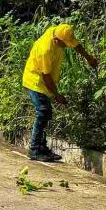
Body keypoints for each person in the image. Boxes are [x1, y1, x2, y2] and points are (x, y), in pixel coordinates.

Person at [22, 23, 97, 162]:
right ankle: (34, 149)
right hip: (35, 80)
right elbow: (46, 77)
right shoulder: (45, 49)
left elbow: (76, 45)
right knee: (43, 111)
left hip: (45, 82)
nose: (67, 46)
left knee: (46, 113)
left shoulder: (59, 32)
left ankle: (41, 147)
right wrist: (57, 96)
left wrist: (89, 58)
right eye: (65, 44)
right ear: (57, 40)